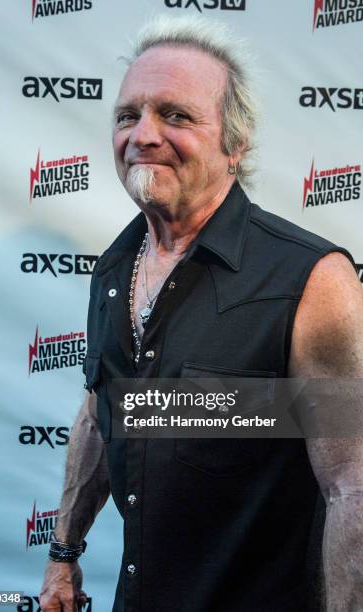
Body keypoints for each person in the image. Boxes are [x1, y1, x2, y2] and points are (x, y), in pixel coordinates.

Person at [39, 15, 363, 612]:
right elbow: (102, 409)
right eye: (127, 115)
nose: (143, 134)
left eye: (176, 115)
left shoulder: (314, 281)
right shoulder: (114, 269)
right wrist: (64, 554)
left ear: (235, 144)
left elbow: (353, 489)